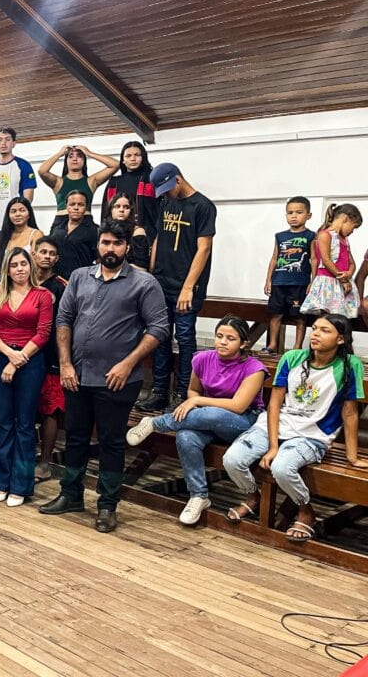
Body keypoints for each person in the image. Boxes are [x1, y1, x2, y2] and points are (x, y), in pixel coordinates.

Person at [39, 219, 169, 533]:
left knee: (111, 442)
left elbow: (159, 328)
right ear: (98, 244)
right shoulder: (80, 277)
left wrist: (128, 363)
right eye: (105, 242)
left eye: (117, 243)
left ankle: (107, 505)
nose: (110, 249)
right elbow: (64, 320)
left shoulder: (143, 282)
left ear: (126, 247)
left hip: (118, 378)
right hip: (77, 376)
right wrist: (66, 364)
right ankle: (70, 494)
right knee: (77, 437)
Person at [222, 315, 368, 542]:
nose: (316, 334)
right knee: (232, 459)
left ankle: (306, 510)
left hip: (312, 435)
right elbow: (274, 404)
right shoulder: (292, 358)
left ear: (340, 339)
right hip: (275, 426)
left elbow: (350, 413)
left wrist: (352, 456)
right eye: (315, 328)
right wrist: (272, 446)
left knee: (281, 468)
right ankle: (253, 497)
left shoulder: (350, 365)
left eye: (325, 330)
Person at [128, 316, 268, 525]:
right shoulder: (202, 358)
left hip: (242, 422)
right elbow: (192, 390)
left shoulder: (254, 368)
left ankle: (155, 423)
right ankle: (199, 495)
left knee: (212, 414)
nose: (222, 341)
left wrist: (198, 402)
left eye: (230, 338)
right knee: (185, 437)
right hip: (206, 418)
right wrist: (195, 401)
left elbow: (238, 405)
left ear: (244, 343)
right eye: (219, 336)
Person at [136, 163, 217, 412]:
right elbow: (159, 238)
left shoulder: (203, 206)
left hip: (186, 286)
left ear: (178, 179)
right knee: (159, 337)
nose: (166, 193)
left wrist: (188, 287)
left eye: (168, 188)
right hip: (161, 281)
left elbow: (204, 248)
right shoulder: (166, 203)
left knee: (185, 339)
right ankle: (159, 390)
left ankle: (183, 392)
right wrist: (151, 276)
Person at [0, 248, 52, 507]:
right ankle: (1, 481)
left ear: (30, 266)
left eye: (24, 264)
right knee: (3, 423)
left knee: (24, 424)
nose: (20, 269)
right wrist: (10, 356)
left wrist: (19, 357)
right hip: (0, 357)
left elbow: (43, 333)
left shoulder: (42, 295)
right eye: (14, 265)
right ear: (7, 269)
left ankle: (21, 485)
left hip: (30, 360)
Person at [32, 236, 67, 481]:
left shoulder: (61, 286)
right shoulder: (22, 280)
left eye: (51, 253)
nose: (46, 256)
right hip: (24, 352)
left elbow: (66, 323)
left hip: (51, 355)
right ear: (33, 253)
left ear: (56, 259)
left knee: (50, 409)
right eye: (42, 251)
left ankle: (45, 462)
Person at [263, 197, 315, 353]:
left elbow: (313, 259)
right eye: (290, 212)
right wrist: (268, 280)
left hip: (299, 283)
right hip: (279, 282)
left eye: (299, 212)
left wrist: (314, 280)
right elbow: (274, 258)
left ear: (308, 215)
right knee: (275, 314)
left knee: (300, 316)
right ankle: (272, 344)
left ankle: (297, 347)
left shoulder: (311, 236)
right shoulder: (280, 236)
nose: (294, 216)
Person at [300, 203, 361, 319]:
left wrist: (349, 274)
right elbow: (326, 261)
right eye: (354, 227)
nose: (353, 231)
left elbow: (352, 263)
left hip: (342, 282)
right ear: (345, 219)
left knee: (340, 318)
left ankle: (337, 336)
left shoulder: (345, 240)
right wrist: (343, 280)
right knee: (327, 317)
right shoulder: (325, 235)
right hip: (328, 282)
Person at [37, 144, 117, 230]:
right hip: (62, 224)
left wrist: (89, 153)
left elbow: (115, 165)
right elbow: (42, 171)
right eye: (71, 156)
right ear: (66, 161)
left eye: (79, 156)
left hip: (85, 223)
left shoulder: (91, 181)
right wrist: (59, 154)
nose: (74, 159)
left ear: (84, 161)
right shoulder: (58, 182)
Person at [0, 127, 36, 230]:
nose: (3, 143)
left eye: (7, 139)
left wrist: (19, 219)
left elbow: (28, 198)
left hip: (15, 224)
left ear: (14, 143)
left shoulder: (23, 165)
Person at [99, 140, 157, 238]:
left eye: (137, 155)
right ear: (123, 160)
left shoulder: (151, 179)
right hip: (118, 233)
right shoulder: (114, 182)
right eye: (128, 156)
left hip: (146, 233)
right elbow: (106, 211)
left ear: (143, 157)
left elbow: (158, 208)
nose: (133, 159)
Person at [51, 191, 99, 278]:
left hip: (82, 279)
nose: (76, 208)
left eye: (80, 204)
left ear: (86, 207)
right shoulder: (57, 229)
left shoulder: (94, 230)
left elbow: (99, 259)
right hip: (57, 280)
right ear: (66, 206)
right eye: (72, 204)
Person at [0, 197, 42, 268]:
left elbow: (36, 264)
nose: (17, 214)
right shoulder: (3, 236)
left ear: (29, 214)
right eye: (13, 211)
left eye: (22, 210)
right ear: (8, 215)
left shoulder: (36, 234)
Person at [107, 193, 150, 269]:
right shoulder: (105, 230)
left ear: (131, 211)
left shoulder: (137, 231)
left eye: (126, 207)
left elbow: (141, 267)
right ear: (111, 210)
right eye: (117, 206)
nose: (121, 210)